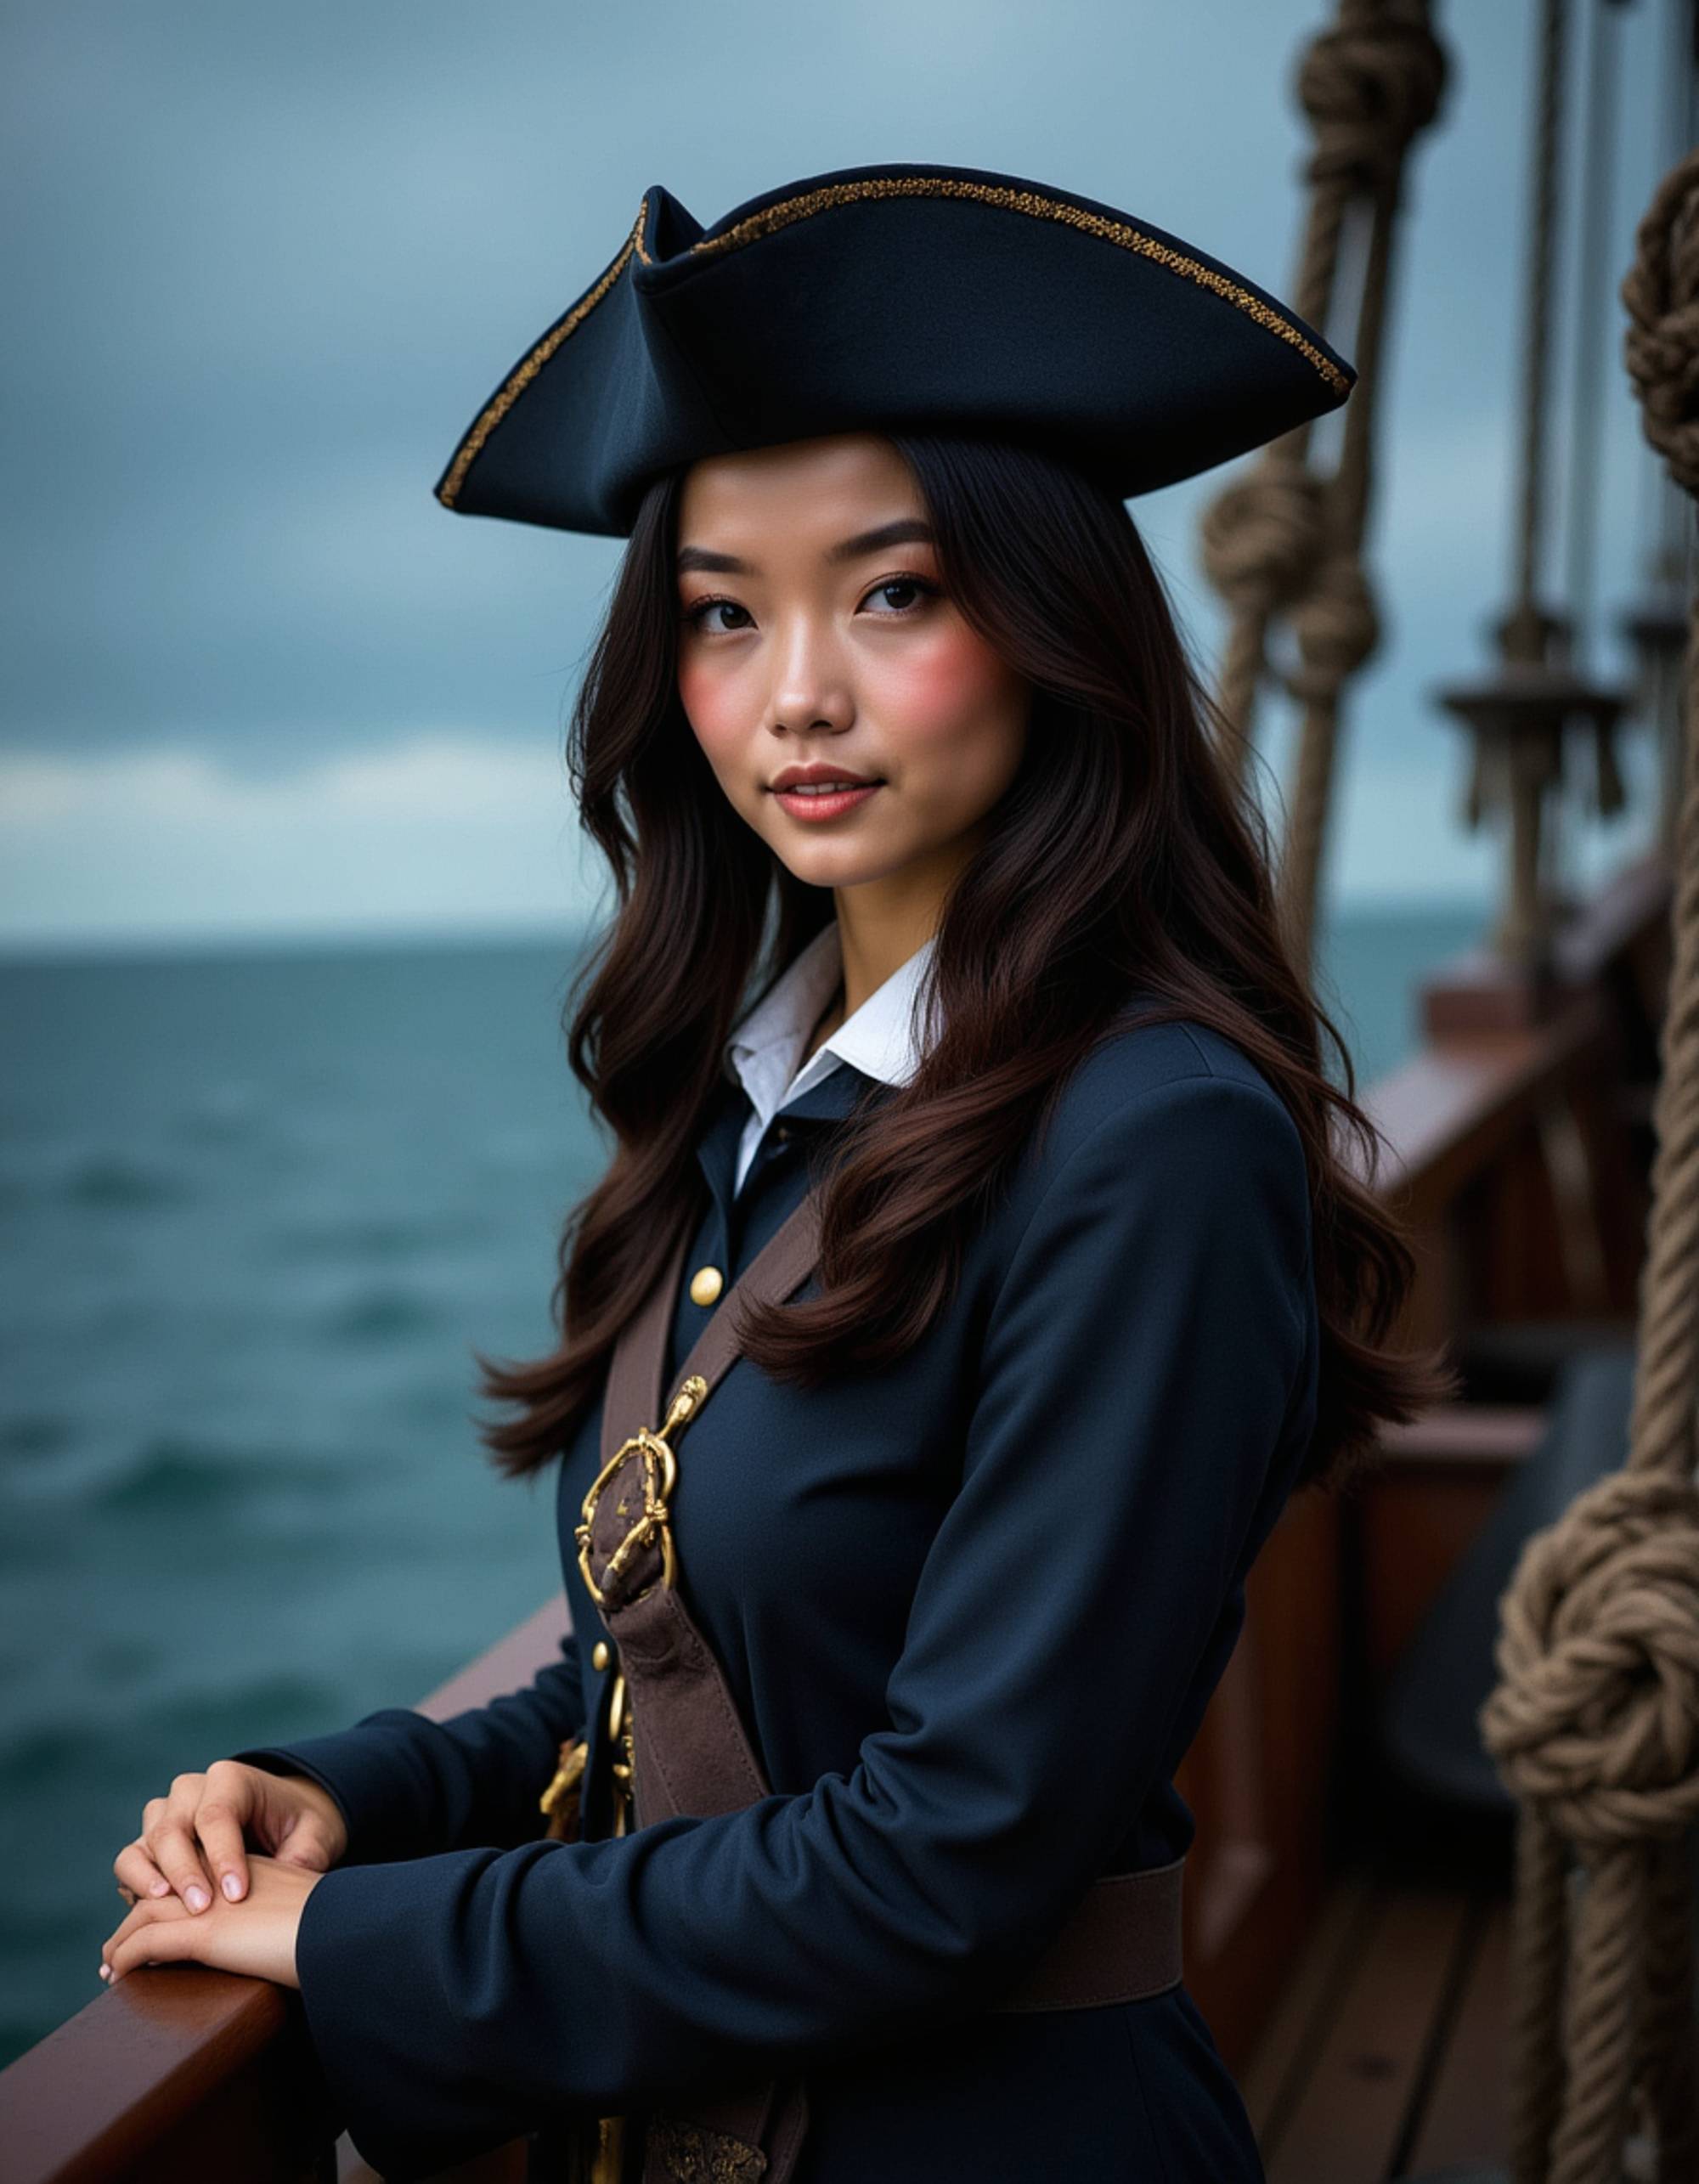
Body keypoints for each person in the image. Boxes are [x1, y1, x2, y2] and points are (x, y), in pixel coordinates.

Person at [99, 160, 1453, 2181]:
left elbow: (944, 1857)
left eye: (891, 592)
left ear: (1056, 623)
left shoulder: (1153, 1138)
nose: (796, 690)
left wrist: (355, 1940)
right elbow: (675, 1672)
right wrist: (349, 1798)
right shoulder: (764, 1096)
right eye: (724, 613)